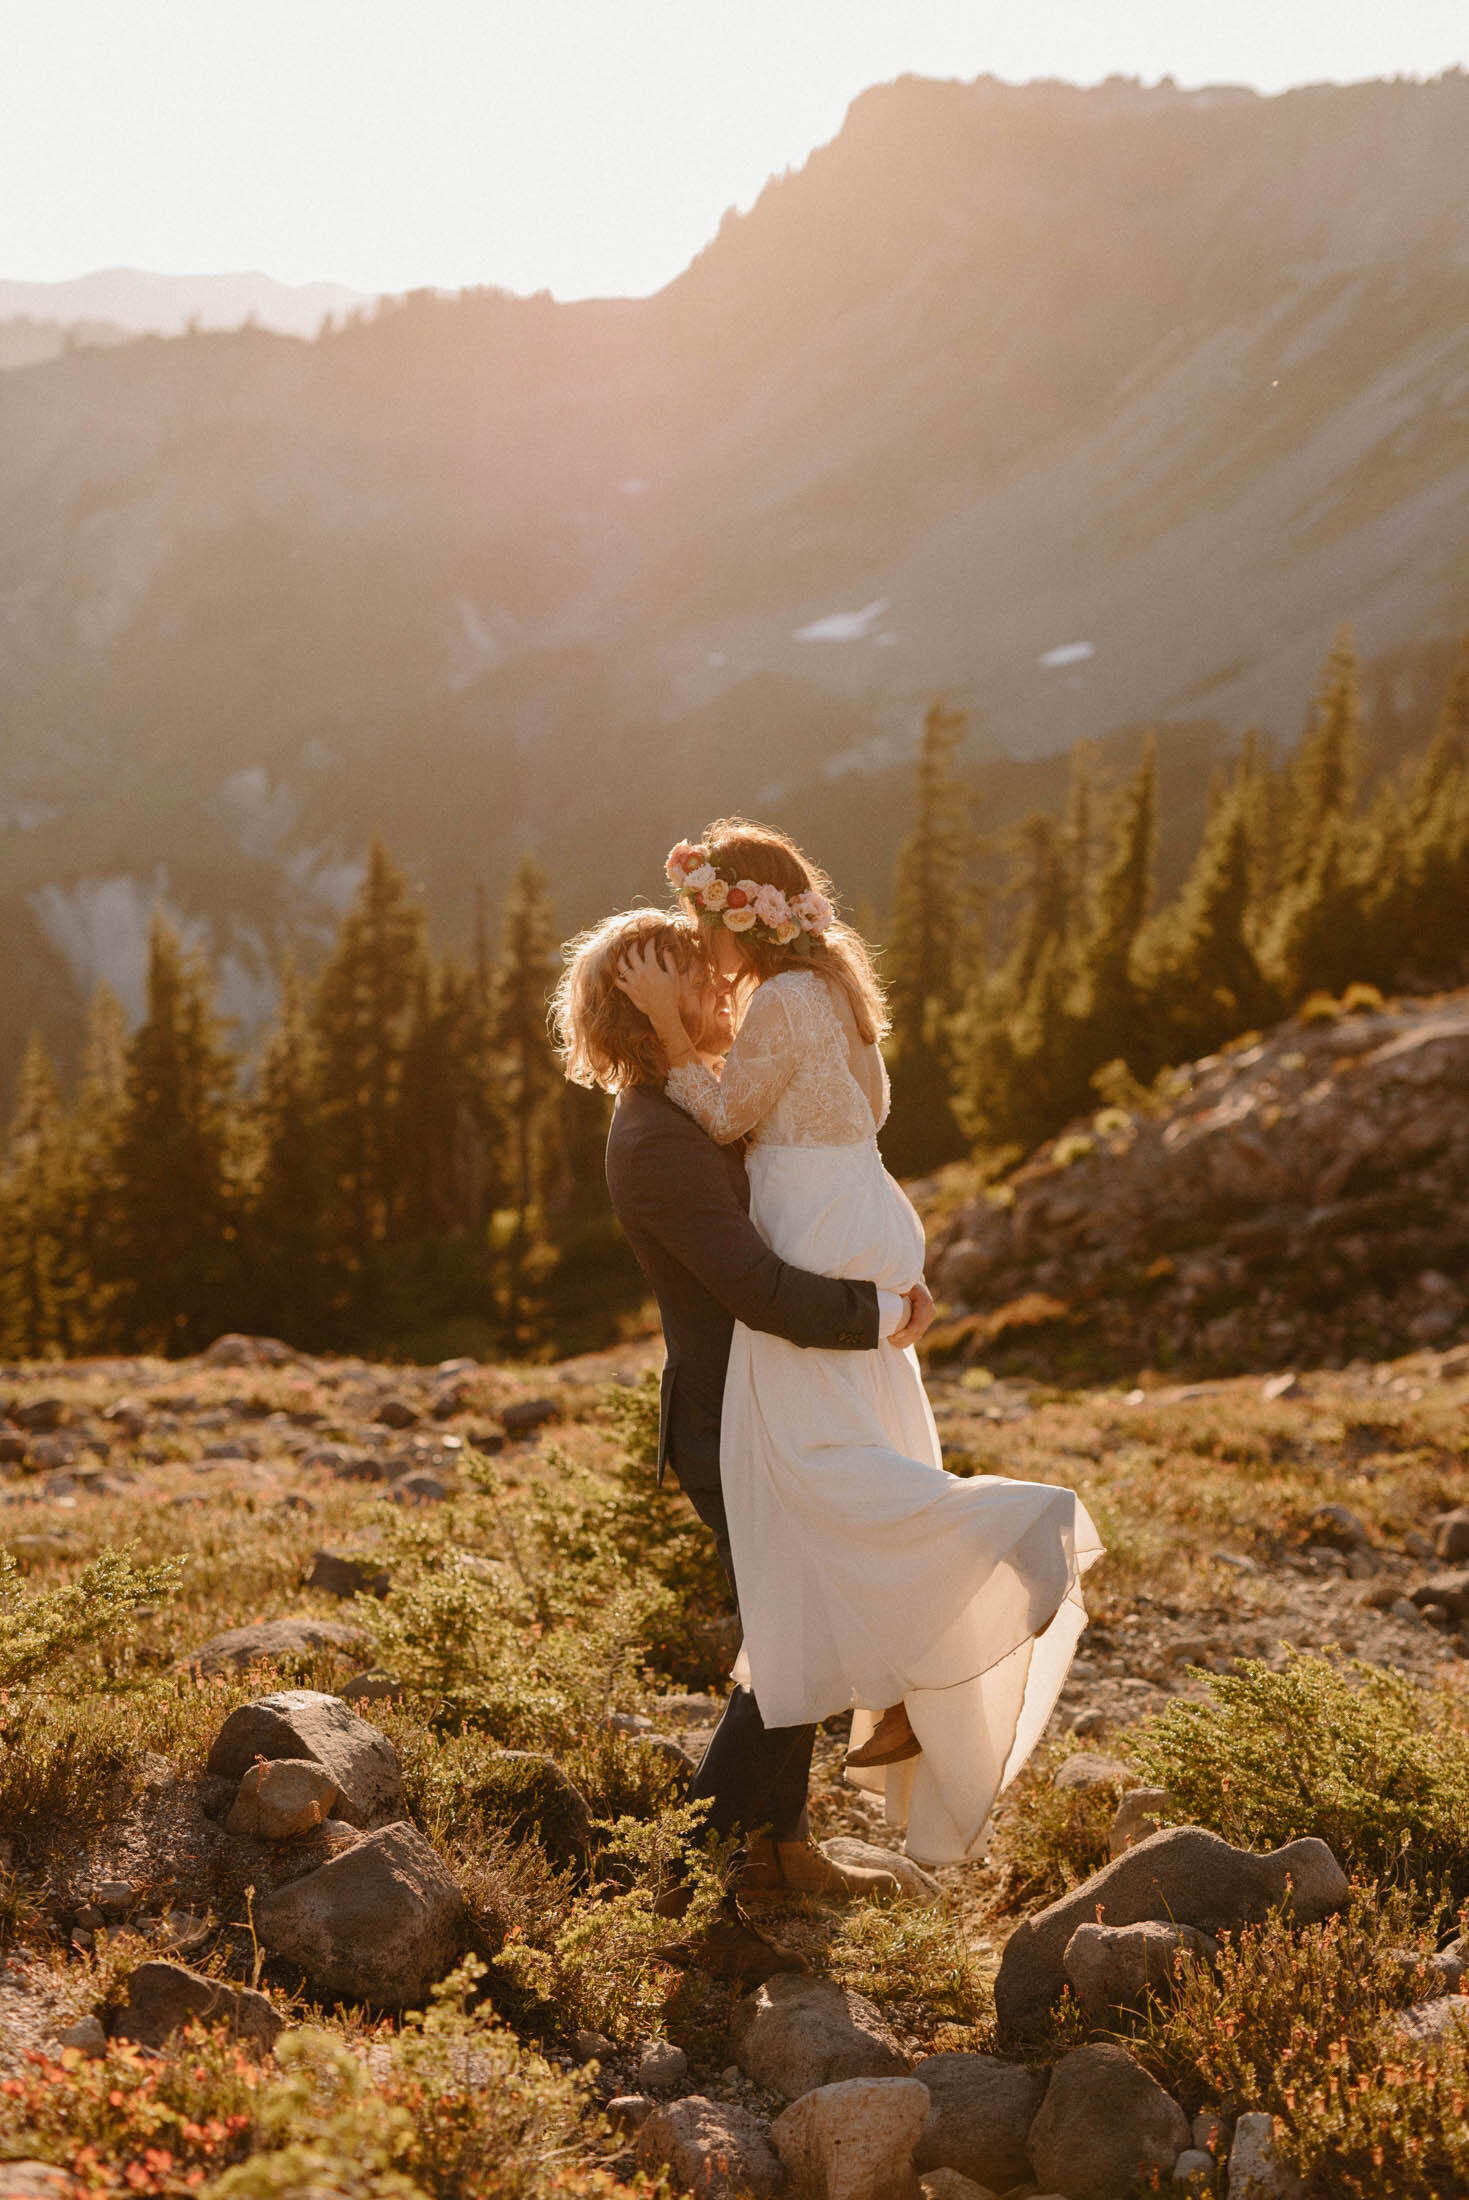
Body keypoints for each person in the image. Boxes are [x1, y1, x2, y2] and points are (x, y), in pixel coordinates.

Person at [615, 819, 1104, 1868]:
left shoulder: (778, 1005)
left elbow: (725, 1113)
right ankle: (854, 1744)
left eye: (710, 935)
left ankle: (1003, 1554)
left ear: (746, 915)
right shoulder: (834, 994)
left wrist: (665, 1021)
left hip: (820, 1264)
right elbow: (856, 1112)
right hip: (855, 1236)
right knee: (835, 1528)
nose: (709, 965)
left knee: (837, 1512)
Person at [551, 905, 936, 1972]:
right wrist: (883, 1315)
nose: (721, 987)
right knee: (792, 1635)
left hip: (776, 1405)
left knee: (791, 1624)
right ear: (641, 1010)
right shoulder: (654, 1139)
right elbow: (759, 1288)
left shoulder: (696, 1112)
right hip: (732, 1418)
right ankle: (685, 1875)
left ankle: (779, 1850)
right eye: (691, 977)